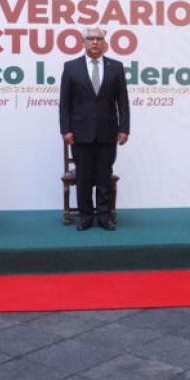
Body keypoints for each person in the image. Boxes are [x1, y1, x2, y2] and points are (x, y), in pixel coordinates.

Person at [59, 27, 130, 231]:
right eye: (90, 38)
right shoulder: (71, 67)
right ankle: (85, 217)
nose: (95, 42)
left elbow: (122, 102)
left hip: (108, 132)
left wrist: (124, 129)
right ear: (83, 42)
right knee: (83, 177)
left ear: (104, 42)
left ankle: (104, 216)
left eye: (99, 38)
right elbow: (65, 103)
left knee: (104, 176)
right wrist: (66, 130)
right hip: (79, 133)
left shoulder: (116, 67)